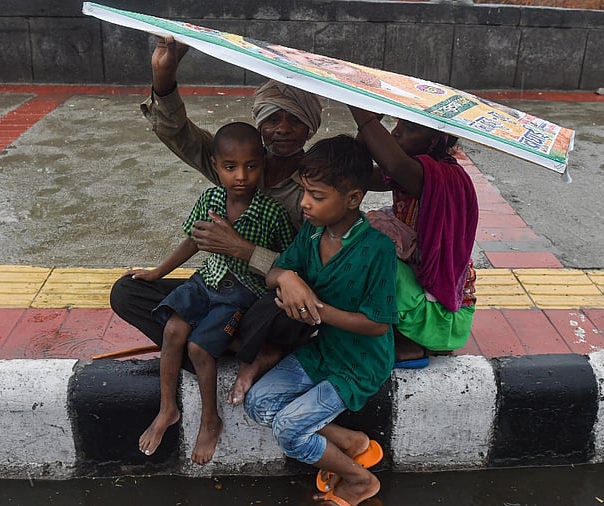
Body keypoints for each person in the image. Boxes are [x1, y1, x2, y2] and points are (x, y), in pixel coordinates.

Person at [109, 36, 325, 372]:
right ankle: (222, 346)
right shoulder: (239, 162)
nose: (283, 129)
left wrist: (243, 249)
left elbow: (309, 271)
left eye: (294, 120)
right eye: (273, 119)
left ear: (310, 127)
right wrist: (164, 78)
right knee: (127, 292)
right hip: (223, 289)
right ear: (260, 126)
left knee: (294, 314)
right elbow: (179, 134)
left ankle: (219, 345)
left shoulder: (316, 186)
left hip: (264, 295)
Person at [243, 135, 397, 506]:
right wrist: (287, 278)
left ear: (353, 199)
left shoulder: (378, 250)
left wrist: (316, 308)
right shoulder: (312, 234)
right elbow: (277, 271)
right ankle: (352, 443)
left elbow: (377, 324)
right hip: (322, 350)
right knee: (257, 404)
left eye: (317, 195)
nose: (305, 203)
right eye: (304, 191)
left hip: (359, 363)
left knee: (288, 429)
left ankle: (360, 480)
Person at [129, 121, 295, 464]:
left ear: (263, 164)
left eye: (251, 166)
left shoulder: (271, 212)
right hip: (206, 280)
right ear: (216, 166)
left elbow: (289, 261)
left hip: (240, 294)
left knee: (198, 347)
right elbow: (193, 240)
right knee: (173, 329)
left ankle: (210, 419)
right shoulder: (211, 198)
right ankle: (167, 408)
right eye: (230, 167)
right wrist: (157, 272)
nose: (241, 176)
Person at [348, 107, 478, 368]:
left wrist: (360, 112)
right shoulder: (412, 172)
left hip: (441, 319)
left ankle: (408, 345)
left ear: (435, 141)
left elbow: (394, 164)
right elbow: (356, 172)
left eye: (410, 128)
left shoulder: (441, 175)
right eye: (397, 124)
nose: (396, 133)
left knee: (370, 251)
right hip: (417, 293)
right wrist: (374, 117)